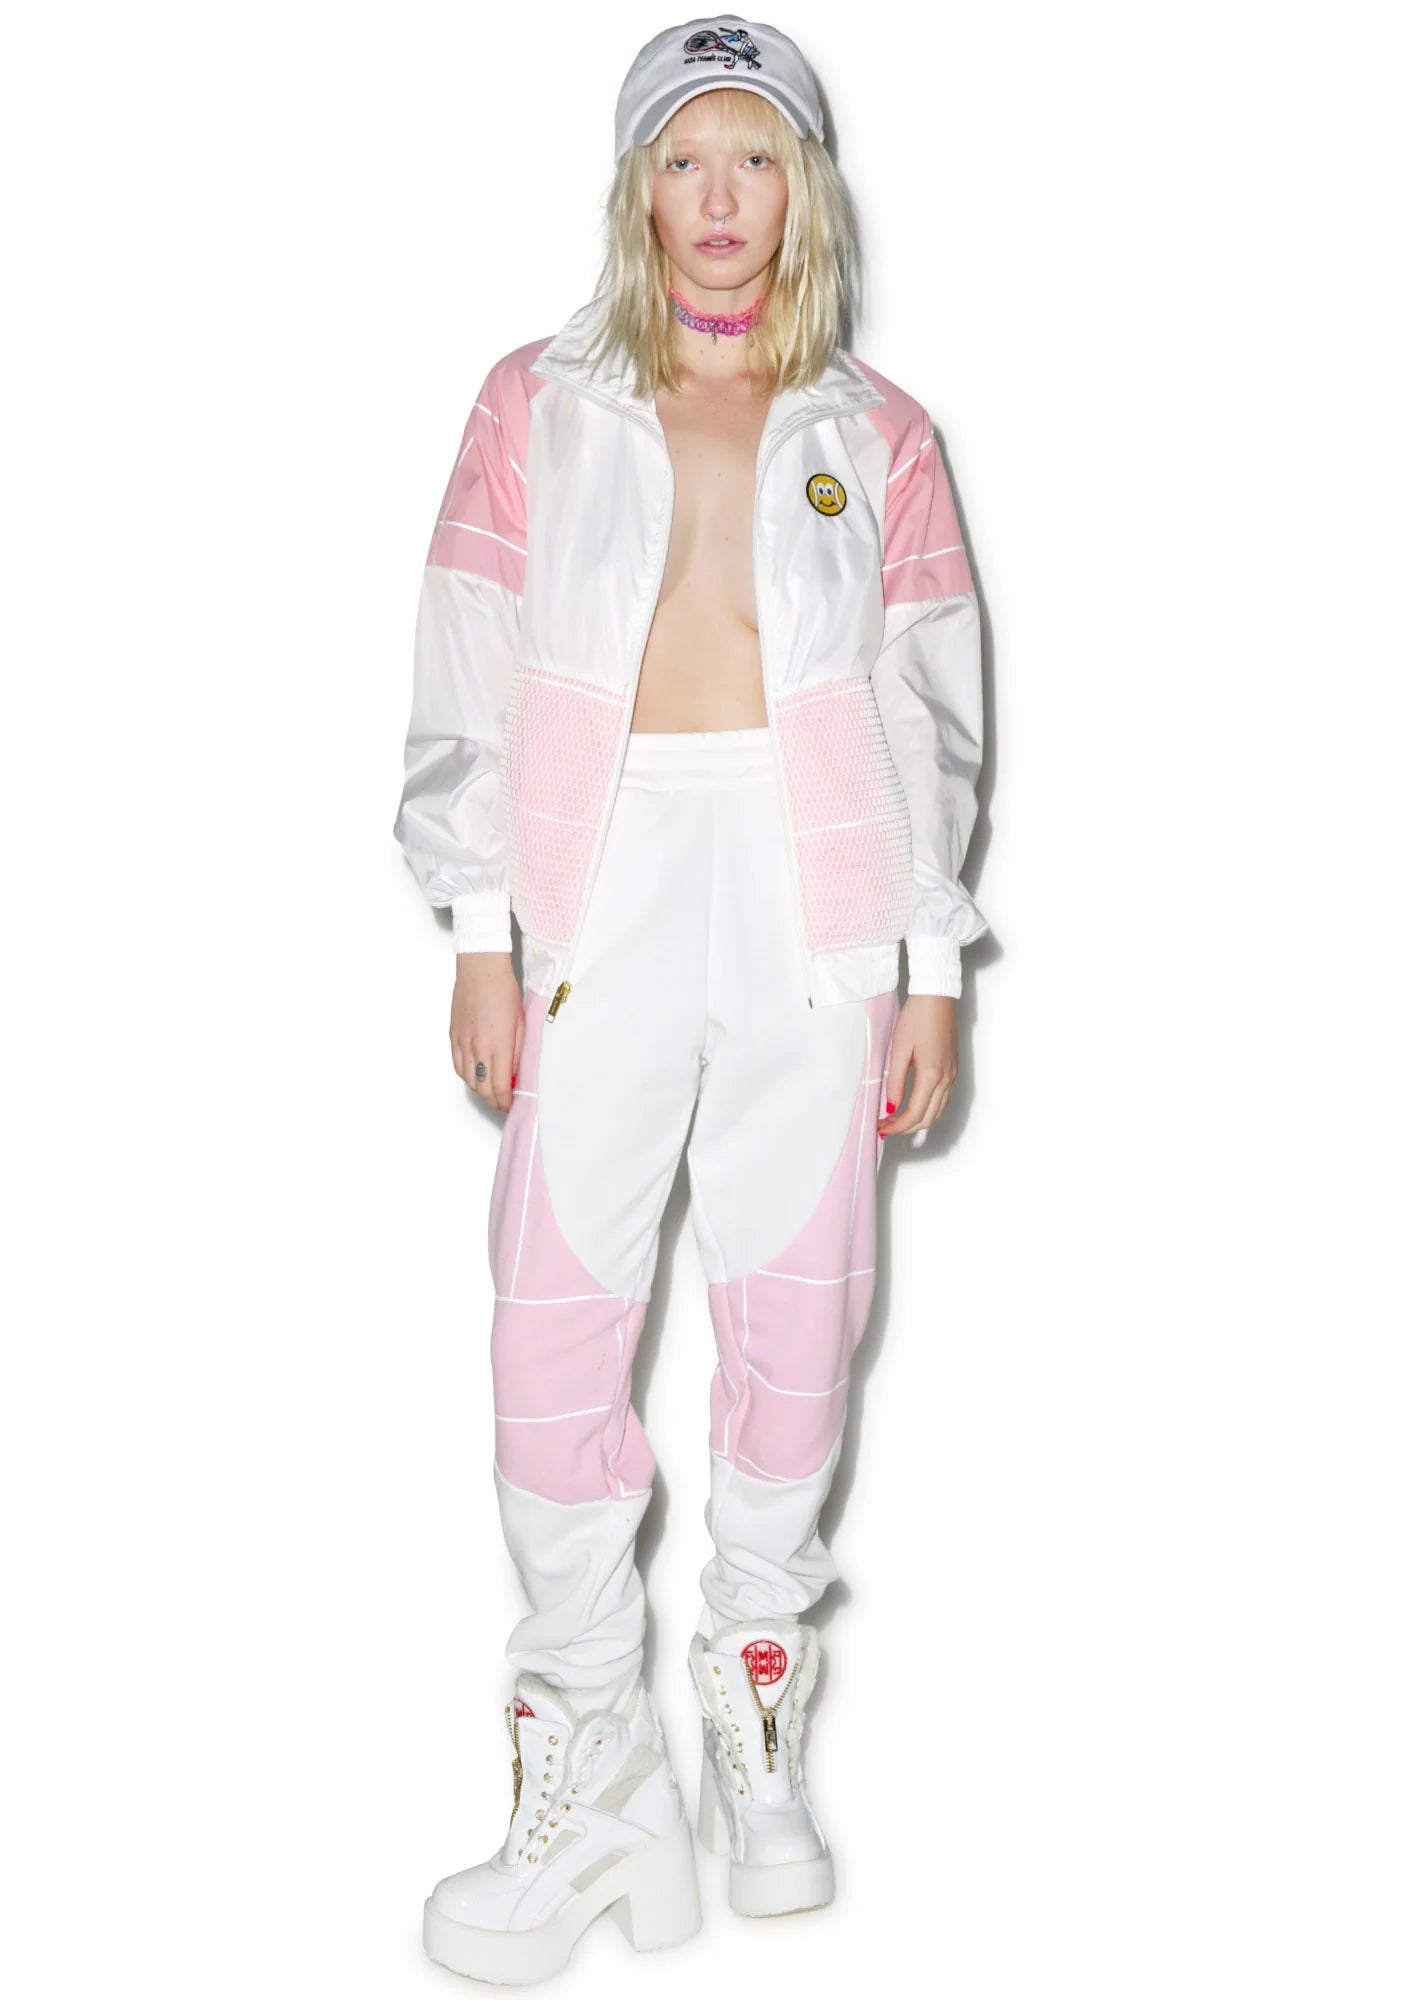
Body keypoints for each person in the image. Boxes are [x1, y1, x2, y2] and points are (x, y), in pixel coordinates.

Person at [393, 14, 988, 1982]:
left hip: (816, 904)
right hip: (602, 888)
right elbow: (470, 653)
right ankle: (591, 1765)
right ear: (635, 189)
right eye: (681, 161)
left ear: (799, 190)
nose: (716, 201)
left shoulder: (876, 433)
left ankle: (753, 1707)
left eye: (751, 161)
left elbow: (926, 711)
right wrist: (481, 926)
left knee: (796, 1314)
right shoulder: (538, 403)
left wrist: (926, 963)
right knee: (553, 1317)